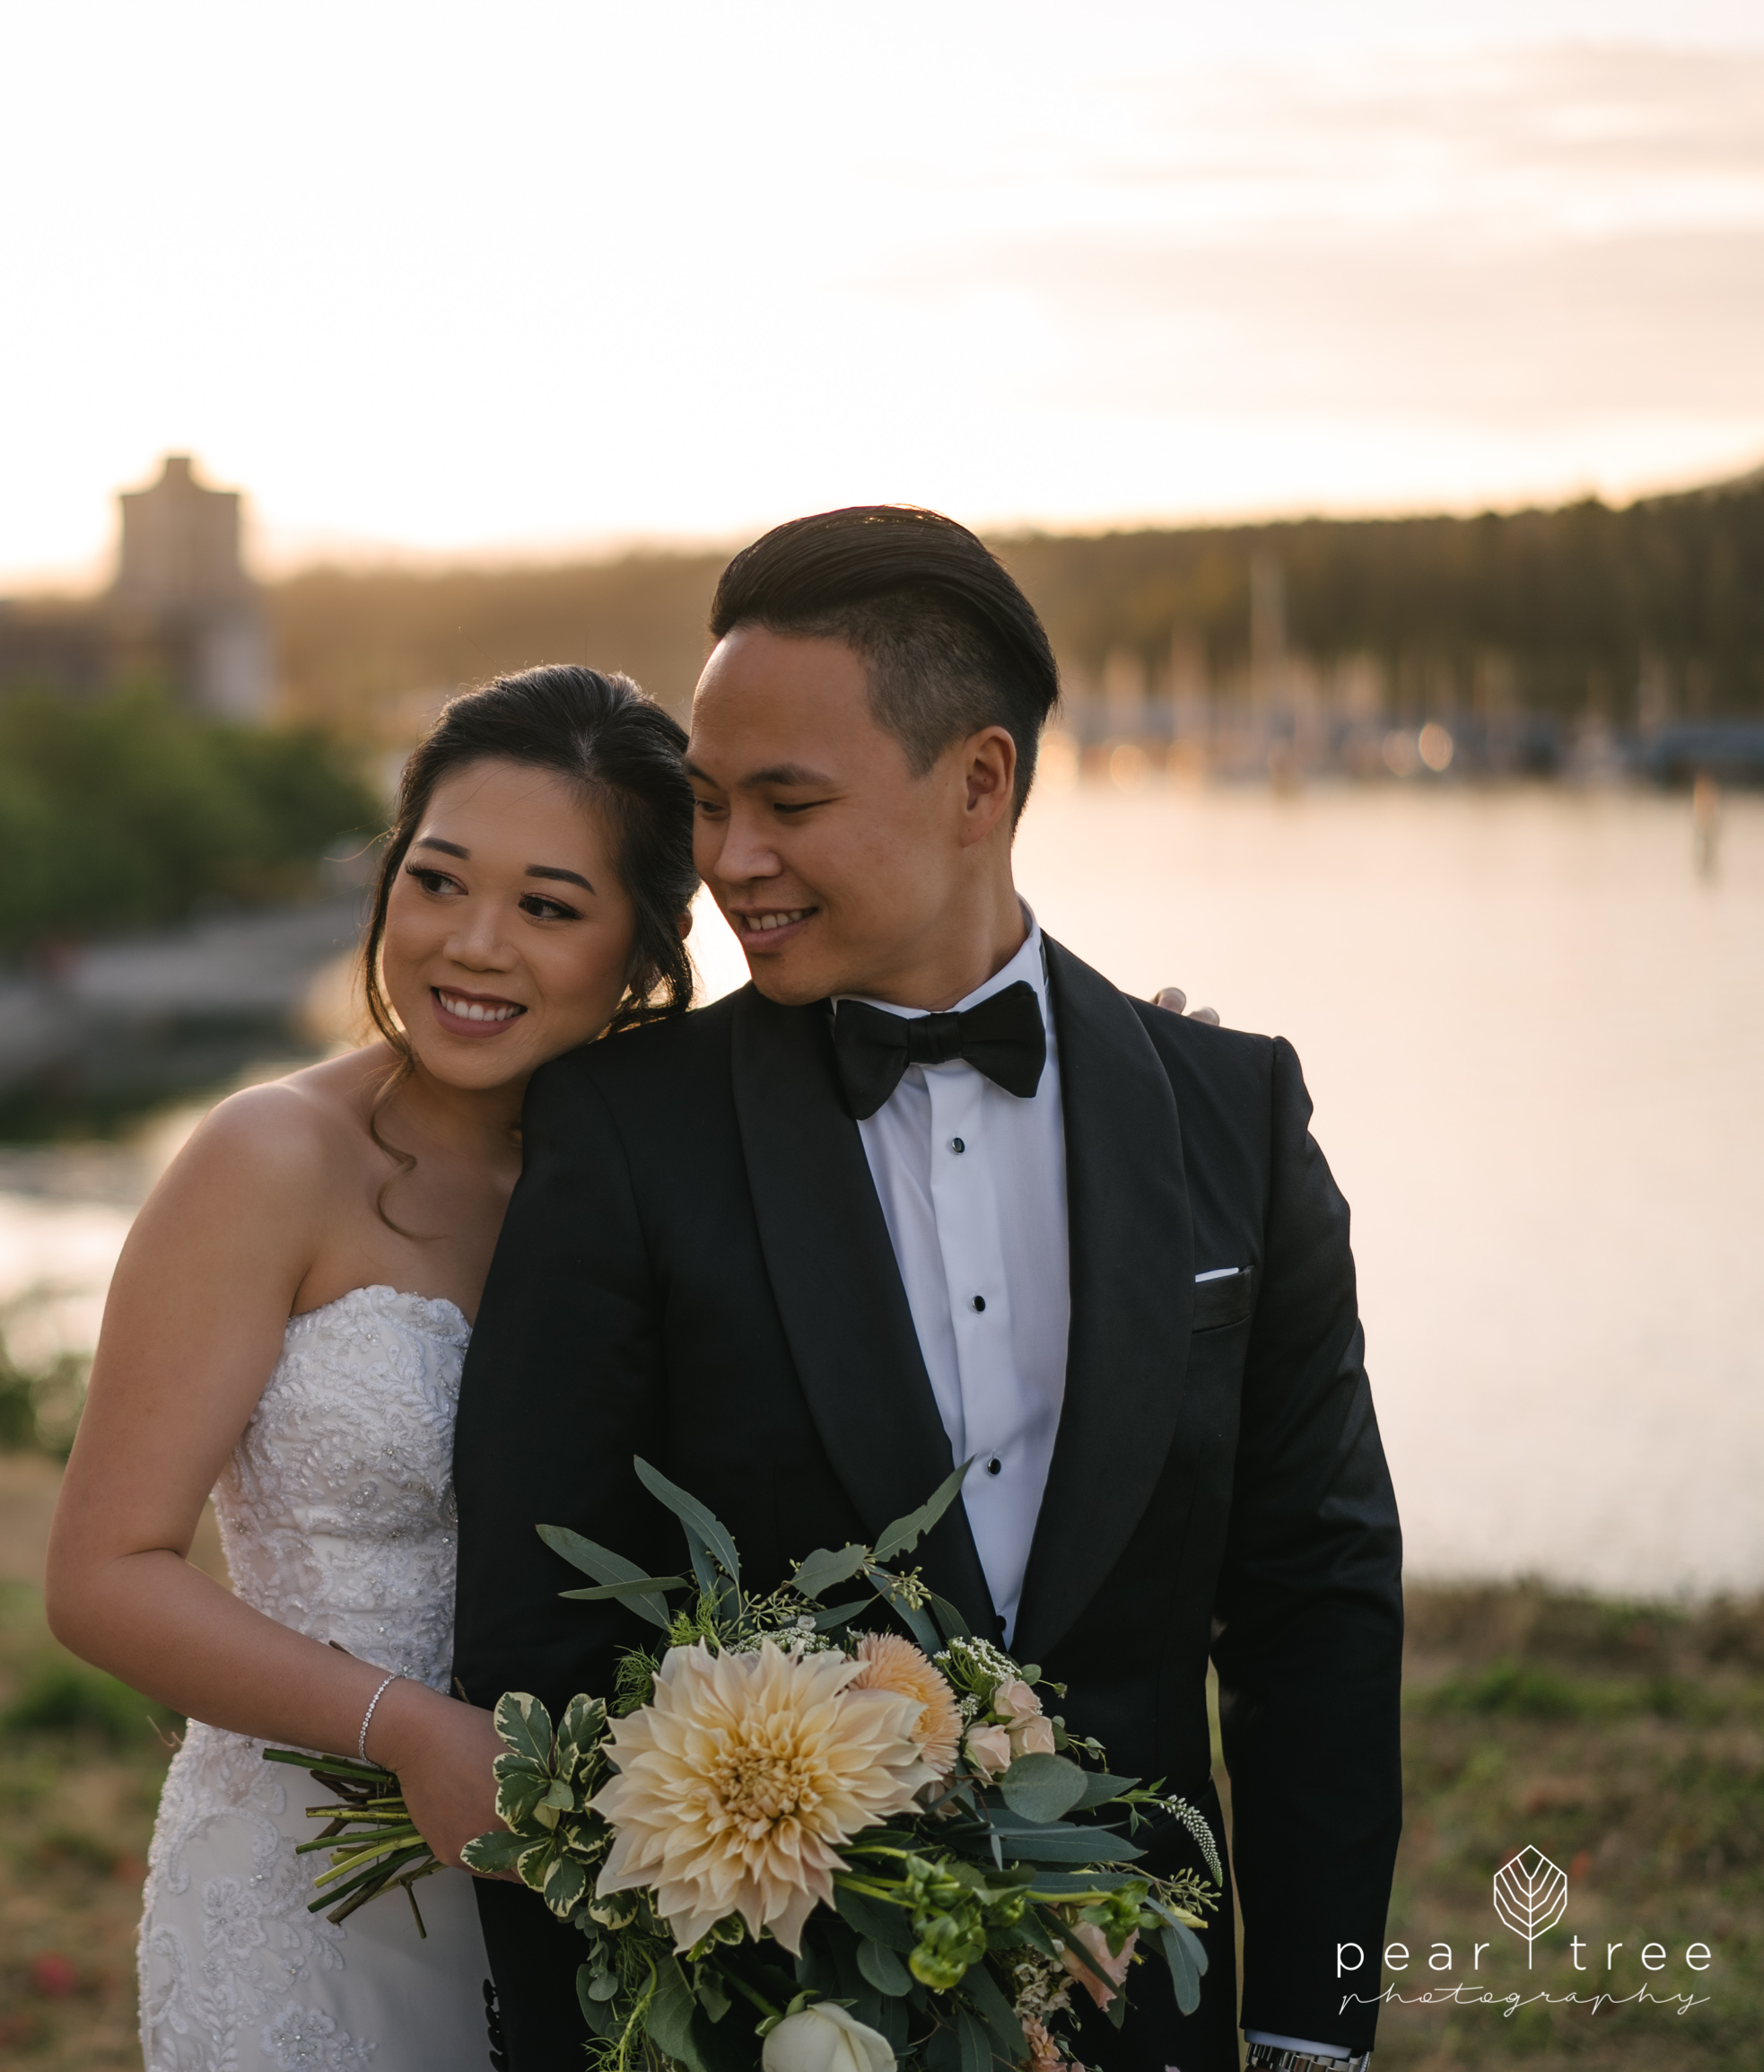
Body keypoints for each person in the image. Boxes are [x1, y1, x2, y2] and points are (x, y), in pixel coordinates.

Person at [446, 507, 1403, 2072]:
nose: (729, 860)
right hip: (752, 2013)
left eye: (789, 802)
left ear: (980, 782)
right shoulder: (624, 1132)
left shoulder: (1235, 1106)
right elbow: (536, 1639)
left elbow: (1317, 1608)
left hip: (1147, 2013)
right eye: (707, 804)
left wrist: (1311, 2031)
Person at [47, 665, 702, 2072]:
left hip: (617, 1895)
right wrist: (404, 1728)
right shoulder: (266, 1160)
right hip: (309, 1892)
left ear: (641, 951)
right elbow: (103, 1573)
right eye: (438, 880)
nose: (473, 945)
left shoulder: (688, 1162)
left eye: (548, 905)